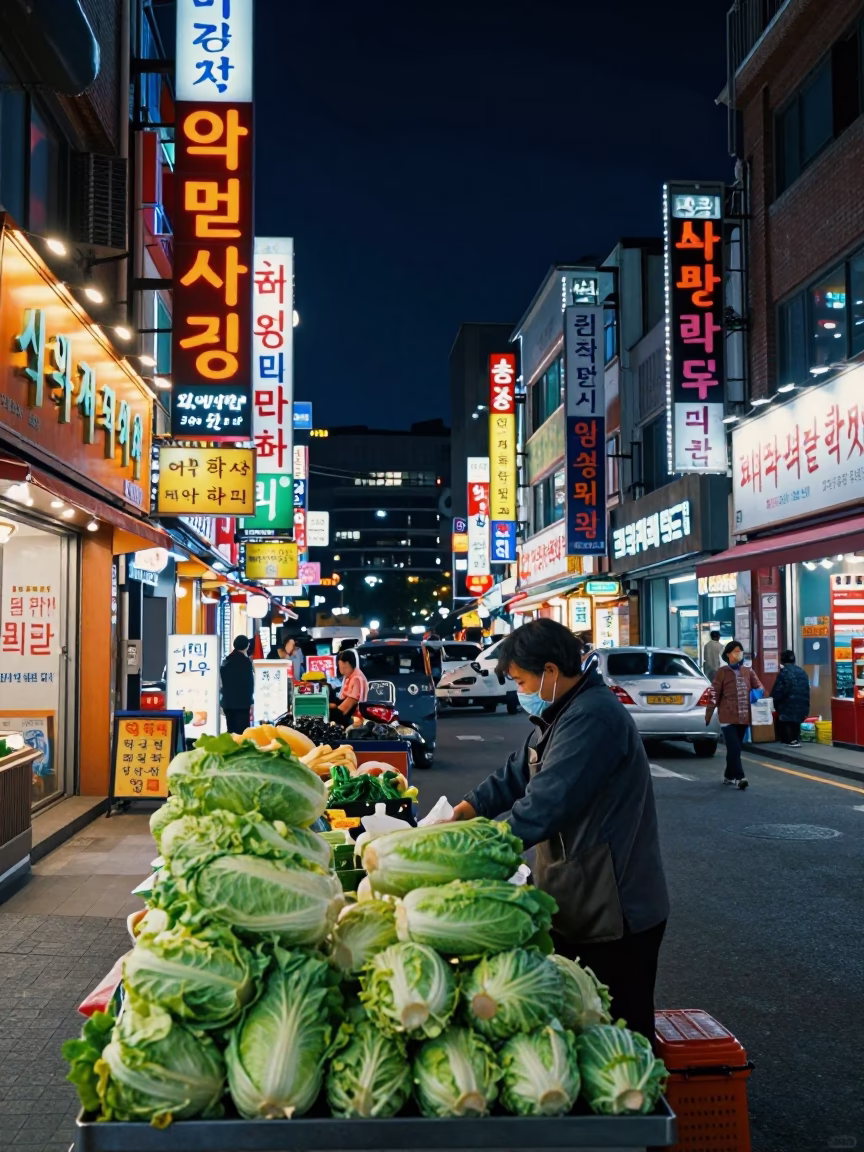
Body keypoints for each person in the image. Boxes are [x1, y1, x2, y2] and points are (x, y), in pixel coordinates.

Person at [448, 618, 669, 1047]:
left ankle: (638, 1110)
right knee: (582, 1022)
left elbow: (544, 803)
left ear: (550, 671)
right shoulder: (564, 711)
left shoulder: (592, 718)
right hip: (581, 891)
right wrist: (469, 807)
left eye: (521, 679)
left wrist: (472, 853)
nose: (519, 690)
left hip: (615, 905)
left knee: (619, 1031)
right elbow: (521, 769)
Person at [705, 640, 764, 789]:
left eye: (740, 652)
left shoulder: (748, 671)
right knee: (734, 747)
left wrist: (755, 695)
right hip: (727, 716)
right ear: (728, 655)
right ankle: (740, 777)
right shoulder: (721, 672)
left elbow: (760, 688)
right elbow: (714, 694)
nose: (739, 655)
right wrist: (708, 713)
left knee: (735, 747)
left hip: (744, 716)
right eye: (736, 652)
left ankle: (728, 775)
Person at [772, 650, 810, 746]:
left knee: (787, 720)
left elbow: (779, 691)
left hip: (789, 706)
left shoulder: (784, 672)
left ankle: (791, 740)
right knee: (795, 721)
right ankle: (795, 739)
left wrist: (773, 701)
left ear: (782, 660)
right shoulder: (802, 671)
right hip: (803, 704)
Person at [221, 636, 254, 735]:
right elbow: (249, 684)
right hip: (242, 704)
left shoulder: (226, 661)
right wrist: (251, 702)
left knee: (231, 732)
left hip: (228, 703)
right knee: (242, 734)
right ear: (247, 646)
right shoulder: (246, 662)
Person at [331, 649, 369, 725]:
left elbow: (346, 707)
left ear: (346, 663)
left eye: (339, 666)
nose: (339, 668)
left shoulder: (356, 679)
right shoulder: (351, 675)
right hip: (348, 711)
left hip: (353, 716)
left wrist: (331, 713)